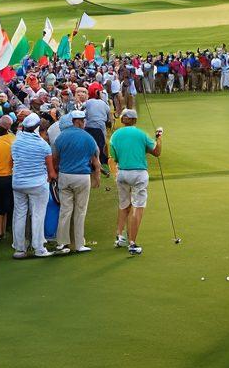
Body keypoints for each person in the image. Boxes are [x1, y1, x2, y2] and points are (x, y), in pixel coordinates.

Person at [109, 108, 162, 255]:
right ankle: (132, 243)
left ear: (123, 120)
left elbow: (114, 157)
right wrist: (159, 138)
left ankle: (119, 236)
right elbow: (157, 152)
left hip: (122, 173)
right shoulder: (141, 134)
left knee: (124, 205)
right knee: (138, 207)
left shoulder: (115, 135)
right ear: (134, 120)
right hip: (139, 174)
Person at [51, 109, 101, 254]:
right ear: (77, 121)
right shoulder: (88, 137)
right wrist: (97, 177)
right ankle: (78, 244)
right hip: (82, 176)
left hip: (65, 175)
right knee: (80, 211)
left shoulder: (61, 137)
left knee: (65, 210)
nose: (84, 122)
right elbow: (95, 159)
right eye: (82, 120)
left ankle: (62, 243)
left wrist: (57, 170)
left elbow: (55, 158)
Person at [10, 113, 53, 259]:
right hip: (38, 184)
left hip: (18, 183)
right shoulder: (43, 145)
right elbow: (51, 171)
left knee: (19, 215)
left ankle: (19, 249)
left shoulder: (16, 142)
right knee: (38, 215)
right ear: (37, 128)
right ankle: (39, 248)